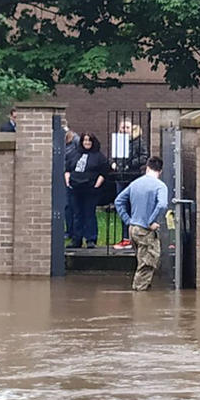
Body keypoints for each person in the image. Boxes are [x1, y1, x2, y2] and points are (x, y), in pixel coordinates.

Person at [114, 156, 169, 291]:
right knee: (147, 265)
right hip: (146, 230)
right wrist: (151, 221)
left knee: (142, 262)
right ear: (160, 171)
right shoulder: (160, 186)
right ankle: (140, 299)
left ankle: (143, 295)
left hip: (133, 229)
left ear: (147, 167)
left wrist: (128, 220)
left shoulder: (135, 183)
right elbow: (162, 205)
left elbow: (118, 201)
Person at [65, 132, 109, 248]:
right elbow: (68, 168)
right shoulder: (75, 154)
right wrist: (68, 181)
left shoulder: (99, 156)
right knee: (77, 214)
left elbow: (104, 171)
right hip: (75, 189)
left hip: (90, 190)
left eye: (89, 140)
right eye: (85, 140)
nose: (87, 143)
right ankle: (77, 239)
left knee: (89, 214)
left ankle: (91, 239)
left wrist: (96, 185)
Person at [110, 119, 148, 248]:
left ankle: (133, 237)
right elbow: (114, 156)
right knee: (121, 206)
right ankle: (125, 237)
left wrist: (130, 164)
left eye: (127, 127)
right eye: (122, 127)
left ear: (132, 128)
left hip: (133, 177)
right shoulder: (119, 142)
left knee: (133, 207)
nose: (124, 130)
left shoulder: (138, 141)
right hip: (120, 178)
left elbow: (144, 156)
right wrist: (113, 163)